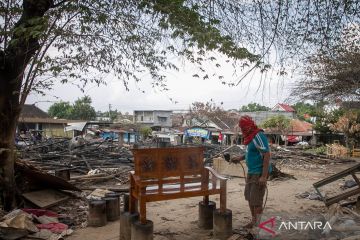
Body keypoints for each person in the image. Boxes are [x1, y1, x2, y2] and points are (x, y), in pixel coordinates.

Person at [231, 115, 271, 228]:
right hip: (251, 171)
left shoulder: (258, 135)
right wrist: (240, 158)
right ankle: (254, 221)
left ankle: (259, 225)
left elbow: (266, 155)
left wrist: (263, 176)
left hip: (258, 172)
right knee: (249, 197)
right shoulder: (250, 137)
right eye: (241, 127)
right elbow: (251, 152)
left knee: (256, 201)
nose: (243, 129)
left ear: (250, 125)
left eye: (244, 127)